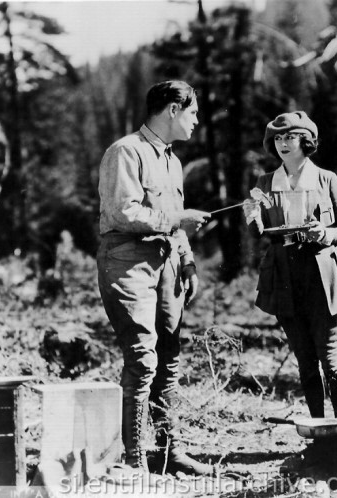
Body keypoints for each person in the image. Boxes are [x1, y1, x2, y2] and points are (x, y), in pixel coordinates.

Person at [97, 80, 213, 475]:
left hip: (166, 266)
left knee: (170, 359)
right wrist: (177, 219)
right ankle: (134, 461)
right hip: (127, 262)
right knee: (143, 359)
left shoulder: (172, 161)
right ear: (172, 110)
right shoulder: (125, 151)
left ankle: (170, 453)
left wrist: (188, 262)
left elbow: (175, 223)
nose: (197, 122)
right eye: (193, 113)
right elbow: (122, 212)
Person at [243, 111, 337, 419]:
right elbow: (258, 231)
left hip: (324, 274)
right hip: (283, 275)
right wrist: (251, 216)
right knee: (305, 359)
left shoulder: (326, 179)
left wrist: (327, 233)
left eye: (290, 137)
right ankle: (319, 432)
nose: (283, 144)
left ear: (306, 141)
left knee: (329, 354)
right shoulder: (264, 183)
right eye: (277, 138)